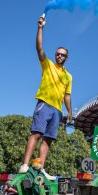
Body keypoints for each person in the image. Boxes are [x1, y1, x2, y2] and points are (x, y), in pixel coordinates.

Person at [19, 15, 73, 180]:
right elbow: (39, 48)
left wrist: (69, 112)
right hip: (44, 104)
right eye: (57, 54)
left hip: (57, 110)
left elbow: (67, 95)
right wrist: (41, 28)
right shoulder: (48, 65)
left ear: (66, 57)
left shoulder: (68, 76)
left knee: (48, 139)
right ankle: (25, 165)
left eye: (62, 54)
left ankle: (40, 166)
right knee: (36, 133)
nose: (59, 56)